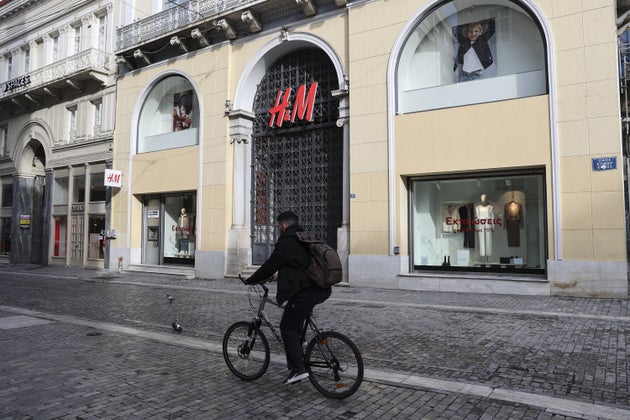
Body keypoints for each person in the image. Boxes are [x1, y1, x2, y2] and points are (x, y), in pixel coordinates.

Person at [245, 211, 332, 385]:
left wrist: (251, 280)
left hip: (306, 292)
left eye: (279, 226)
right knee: (295, 318)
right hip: (320, 288)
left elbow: (270, 265)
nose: (279, 229)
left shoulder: (286, 242)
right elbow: (299, 265)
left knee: (287, 327)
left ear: (283, 226)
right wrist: (280, 275)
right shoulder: (304, 237)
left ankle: (298, 369)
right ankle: (300, 347)